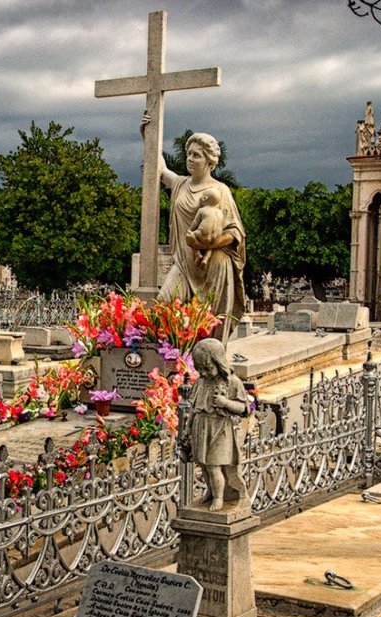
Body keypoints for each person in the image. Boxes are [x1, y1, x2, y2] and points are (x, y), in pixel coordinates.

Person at [142, 117, 247, 342]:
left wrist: (206, 244)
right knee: (164, 306)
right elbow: (160, 168)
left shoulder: (221, 191)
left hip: (214, 266)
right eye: (188, 153)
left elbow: (235, 233)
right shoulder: (180, 184)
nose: (190, 159)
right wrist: (147, 135)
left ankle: (202, 371)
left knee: (207, 326)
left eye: (196, 155)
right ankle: (174, 364)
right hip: (184, 262)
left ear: (210, 162)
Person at [180, 338, 252, 511]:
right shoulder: (201, 382)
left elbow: (243, 408)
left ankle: (220, 497)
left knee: (214, 465)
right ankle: (211, 491)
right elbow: (194, 409)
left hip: (219, 428)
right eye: (200, 369)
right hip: (201, 426)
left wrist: (225, 403)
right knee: (203, 464)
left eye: (208, 368)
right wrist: (188, 429)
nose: (204, 373)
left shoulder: (232, 382)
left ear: (219, 363)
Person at [186, 187, 225, 268]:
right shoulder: (220, 212)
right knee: (211, 245)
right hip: (215, 237)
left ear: (204, 198)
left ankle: (197, 254)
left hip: (202, 234)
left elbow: (195, 223)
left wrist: (190, 230)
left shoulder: (202, 210)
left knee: (190, 236)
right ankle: (206, 259)